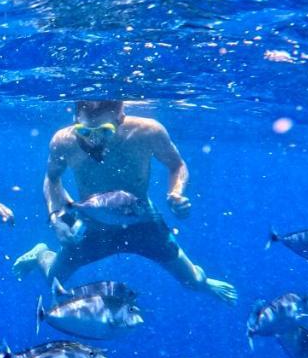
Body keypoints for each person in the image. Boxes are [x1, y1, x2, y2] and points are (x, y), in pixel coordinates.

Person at [12, 99, 236, 303]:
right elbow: (52, 180)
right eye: (84, 131)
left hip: (142, 221)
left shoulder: (148, 132)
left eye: (104, 131)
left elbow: (176, 165)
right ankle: (42, 253)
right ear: (75, 120)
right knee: (53, 279)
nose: (94, 140)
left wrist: (175, 193)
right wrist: (55, 217)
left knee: (194, 282)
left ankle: (205, 282)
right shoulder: (63, 141)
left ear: (120, 118)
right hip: (94, 225)